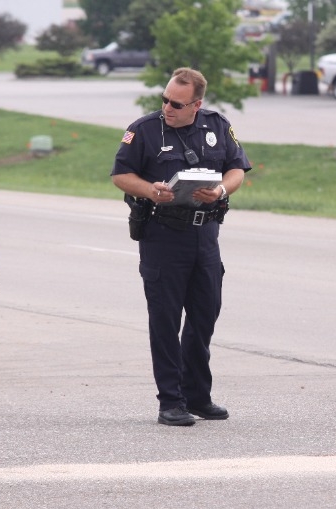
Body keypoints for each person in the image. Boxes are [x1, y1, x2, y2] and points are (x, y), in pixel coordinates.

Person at [111, 67, 251, 426]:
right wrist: (149, 189)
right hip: (163, 237)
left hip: (205, 237)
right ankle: (170, 401)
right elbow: (120, 175)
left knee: (205, 316)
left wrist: (220, 190)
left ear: (196, 104)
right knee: (165, 321)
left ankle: (198, 396)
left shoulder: (216, 125)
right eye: (165, 99)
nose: (167, 107)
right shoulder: (143, 130)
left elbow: (237, 167)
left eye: (176, 103)